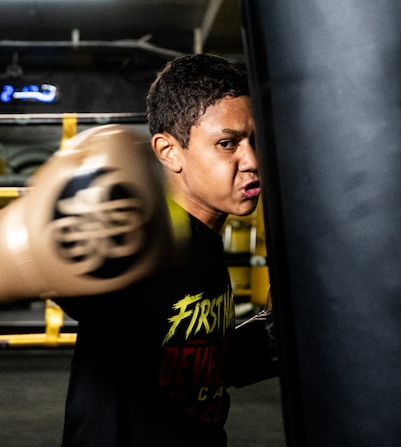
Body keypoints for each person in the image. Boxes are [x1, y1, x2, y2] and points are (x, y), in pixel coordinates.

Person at [54, 53, 277, 446]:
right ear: (169, 151)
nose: (252, 161)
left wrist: (277, 333)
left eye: (254, 141)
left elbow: (192, 364)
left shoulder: (204, 243)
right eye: (227, 144)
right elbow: (74, 286)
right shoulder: (145, 239)